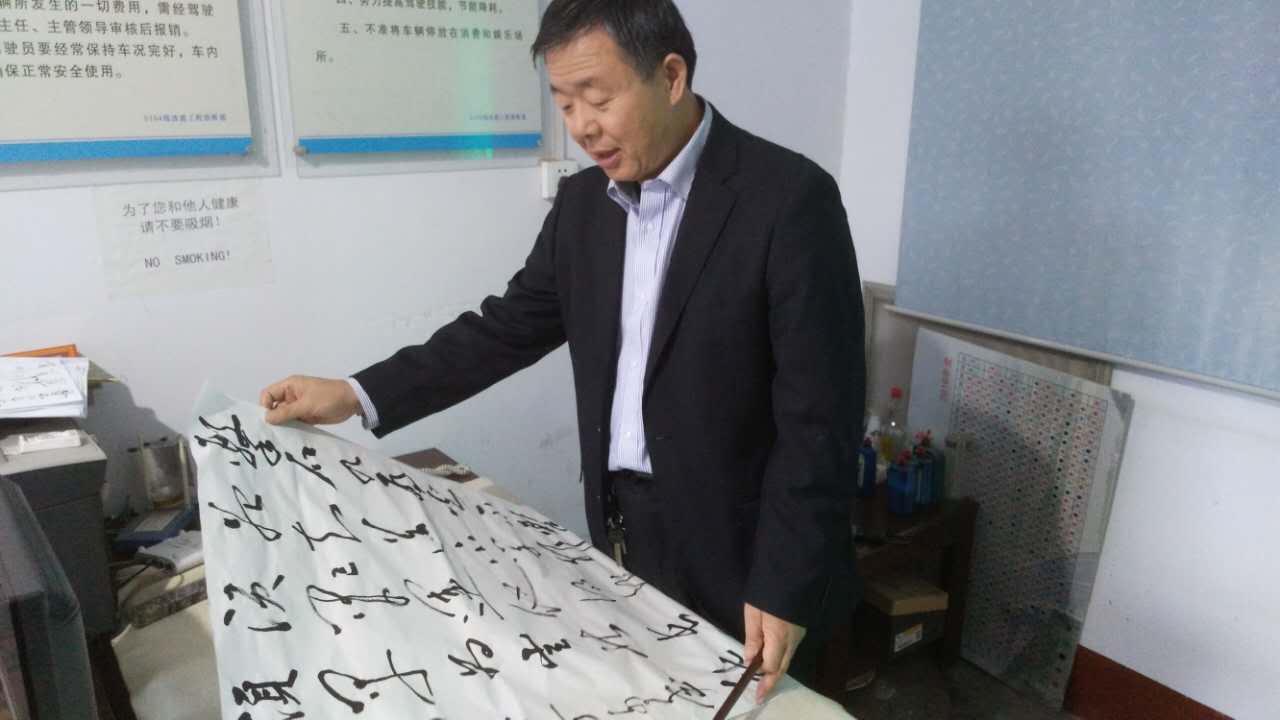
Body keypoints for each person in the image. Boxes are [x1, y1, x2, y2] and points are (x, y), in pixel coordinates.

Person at [260, 0, 864, 702]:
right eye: (564, 102)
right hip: (624, 530)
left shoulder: (787, 200)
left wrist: (785, 581)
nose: (581, 126)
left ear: (671, 76)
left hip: (747, 547)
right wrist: (354, 393)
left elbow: (820, 420)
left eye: (598, 98)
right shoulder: (583, 205)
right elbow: (503, 329)